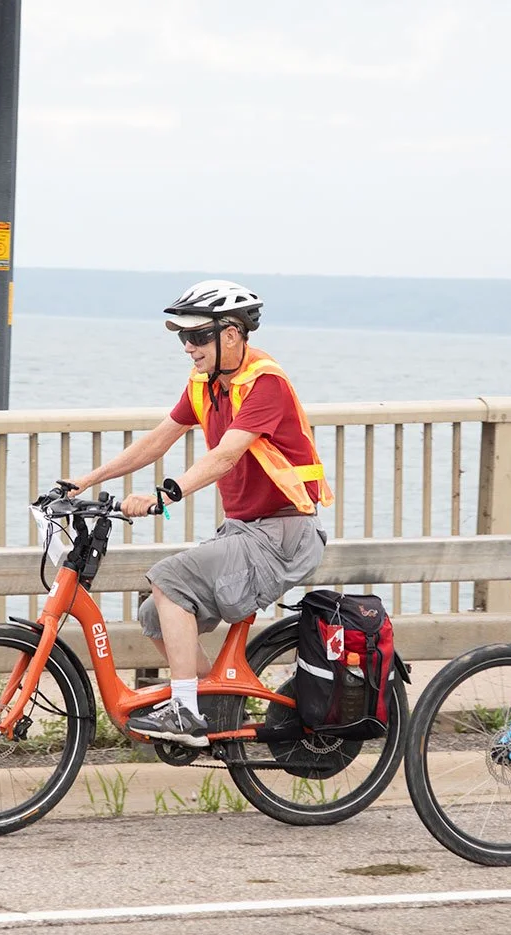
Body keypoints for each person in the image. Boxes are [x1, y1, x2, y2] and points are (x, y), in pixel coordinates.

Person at [58, 280, 330, 747]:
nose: (188, 347)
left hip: (283, 535)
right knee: (153, 615)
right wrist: (86, 480)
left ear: (231, 334)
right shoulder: (206, 386)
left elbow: (224, 457)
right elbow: (158, 440)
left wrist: (166, 495)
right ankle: (213, 707)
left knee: (168, 579)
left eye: (198, 336)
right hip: (244, 532)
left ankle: (184, 713)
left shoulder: (266, 385)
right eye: (182, 337)